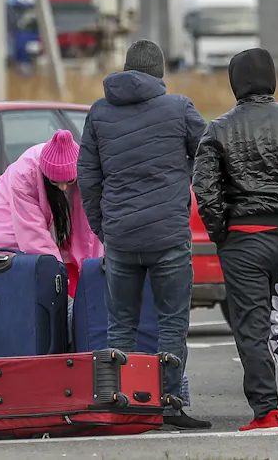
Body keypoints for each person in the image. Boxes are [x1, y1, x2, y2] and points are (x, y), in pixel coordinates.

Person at [192, 47, 278, 432]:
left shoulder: (217, 129)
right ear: (272, 79)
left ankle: (266, 413)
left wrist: (222, 233)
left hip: (242, 240)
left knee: (251, 328)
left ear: (235, 82)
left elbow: (204, 190)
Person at [77, 39, 211, 430]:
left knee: (120, 324)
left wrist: (104, 227)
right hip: (169, 235)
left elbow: (88, 176)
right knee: (171, 322)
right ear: (159, 73)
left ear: (125, 68)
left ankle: (125, 404)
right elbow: (208, 155)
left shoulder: (99, 112)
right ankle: (168, 405)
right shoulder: (179, 108)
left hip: (120, 238)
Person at [0, 129, 104, 302]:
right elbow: (32, 236)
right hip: (7, 226)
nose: (62, 187)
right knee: (36, 274)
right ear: (45, 174)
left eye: (69, 181)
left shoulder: (87, 171)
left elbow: (89, 230)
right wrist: (56, 277)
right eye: (55, 182)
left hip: (52, 226)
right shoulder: (24, 174)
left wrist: (93, 273)